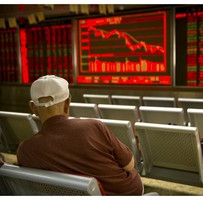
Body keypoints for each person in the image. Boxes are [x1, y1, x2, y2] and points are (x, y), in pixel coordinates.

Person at [7, 75, 143, 195]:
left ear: (33, 108)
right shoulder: (93, 126)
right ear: (67, 103)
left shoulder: (25, 150)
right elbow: (129, 165)